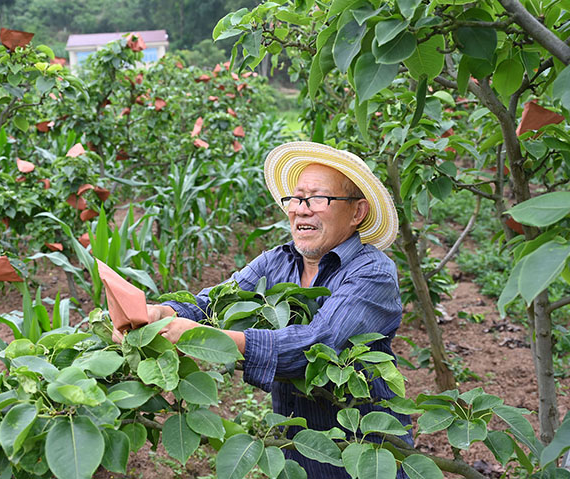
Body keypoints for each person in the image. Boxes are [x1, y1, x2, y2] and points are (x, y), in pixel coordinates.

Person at [116, 141, 412, 477]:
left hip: (365, 451)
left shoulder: (372, 272)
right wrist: (160, 314)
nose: (300, 209)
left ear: (357, 212)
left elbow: (318, 346)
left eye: (317, 198)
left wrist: (208, 337)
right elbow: (210, 304)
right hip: (296, 444)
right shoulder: (277, 261)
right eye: (296, 198)